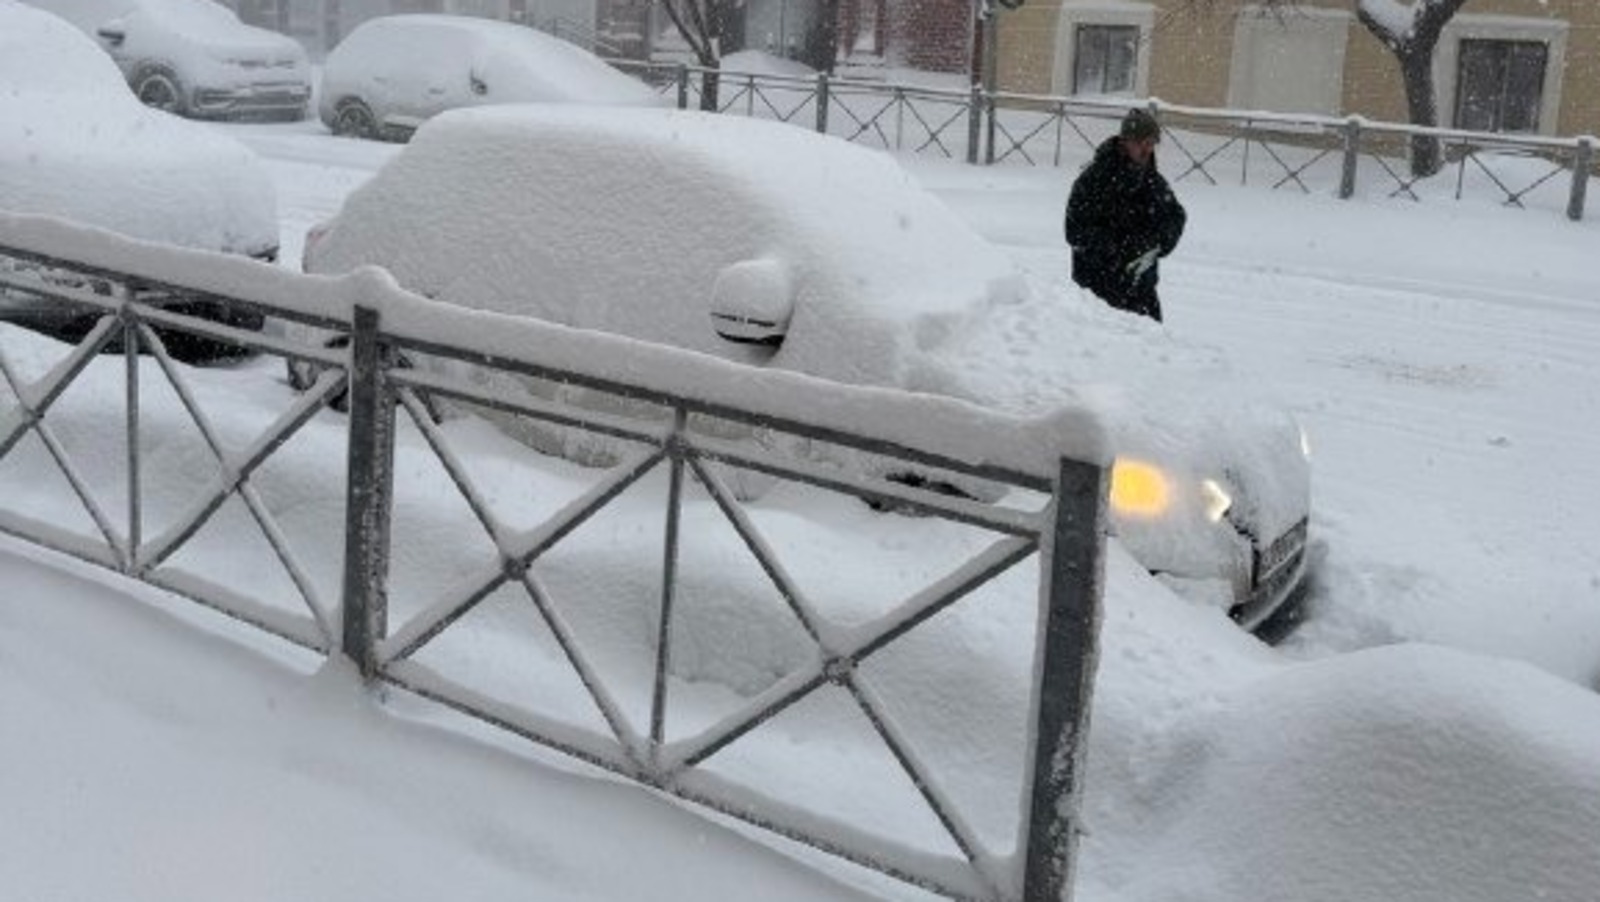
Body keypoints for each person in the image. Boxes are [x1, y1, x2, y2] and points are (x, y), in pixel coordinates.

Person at [1064, 108, 1187, 322]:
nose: (1148, 150)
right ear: (1126, 141)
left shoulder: (1152, 181)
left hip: (1142, 294)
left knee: (1154, 350)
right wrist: (1118, 249)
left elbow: (1175, 216)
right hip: (1097, 295)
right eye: (1142, 143)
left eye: (1152, 144)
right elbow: (1075, 231)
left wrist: (1155, 242)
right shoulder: (1093, 180)